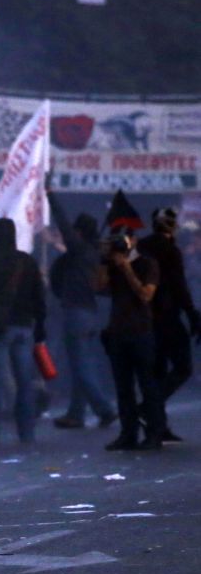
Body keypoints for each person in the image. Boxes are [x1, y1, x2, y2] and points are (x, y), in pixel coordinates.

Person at [0, 218, 47, 444]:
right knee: (24, 381)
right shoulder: (26, 261)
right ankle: (27, 432)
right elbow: (39, 295)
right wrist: (41, 325)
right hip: (24, 327)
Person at [47, 192, 117, 430]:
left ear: (79, 232)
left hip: (77, 313)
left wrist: (50, 196)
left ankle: (104, 409)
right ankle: (75, 414)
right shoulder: (95, 254)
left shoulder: (80, 251)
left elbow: (64, 226)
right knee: (82, 365)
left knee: (81, 366)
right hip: (90, 314)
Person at [137, 207, 201, 443]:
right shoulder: (171, 251)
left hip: (145, 316)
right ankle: (150, 409)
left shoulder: (140, 248)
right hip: (167, 316)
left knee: (158, 369)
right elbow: (179, 285)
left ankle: (158, 424)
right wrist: (192, 314)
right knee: (183, 367)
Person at [99, 226, 163, 450]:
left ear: (134, 241)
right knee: (123, 387)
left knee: (147, 384)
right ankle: (129, 433)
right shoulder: (112, 264)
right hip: (118, 332)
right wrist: (104, 260)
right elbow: (98, 287)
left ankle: (154, 433)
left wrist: (127, 268)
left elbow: (146, 295)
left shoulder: (147, 263)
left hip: (141, 331)